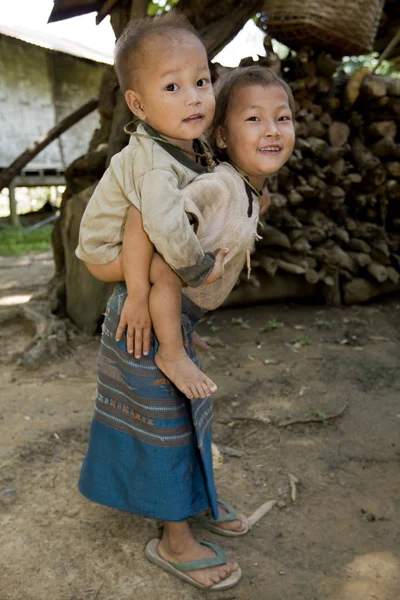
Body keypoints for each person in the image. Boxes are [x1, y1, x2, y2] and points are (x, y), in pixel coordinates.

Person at [78, 62, 295, 591]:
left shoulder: (247, 189)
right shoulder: (218, 187)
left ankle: (196, 502)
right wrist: (160, 329)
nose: (271, 129)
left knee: (190, 415)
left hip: (168, 317)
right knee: (167, 429)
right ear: (222, 132)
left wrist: (184, 322)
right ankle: (175, 540)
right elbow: (145, 228)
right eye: (254, 119)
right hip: (142, 322)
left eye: (283, 117)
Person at [76, 11, 223, 400]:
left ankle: (173, 326)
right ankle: (171, 354)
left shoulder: (187, 144)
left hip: (136, 232)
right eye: (172, 87)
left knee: (165, 231)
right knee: (172, 266)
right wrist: (199, 270)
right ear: (138, 106)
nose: (193, 96)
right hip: (106, 251)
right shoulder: (155, 163)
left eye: (201, 81)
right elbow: (162, 229)